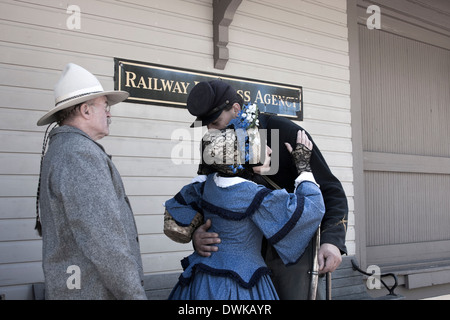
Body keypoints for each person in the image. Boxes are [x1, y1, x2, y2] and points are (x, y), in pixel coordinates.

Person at [186, 80, 348, 299]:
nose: (211, 131)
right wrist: (197, 233)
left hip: (290, 253)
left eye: (216, 122)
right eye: (208, 126)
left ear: (236, 109)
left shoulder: (286, 132)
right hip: (236, 261)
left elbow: (331, 190)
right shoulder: (216, 144)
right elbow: (205, 195)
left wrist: (332, 241)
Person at [165, 117, 325, 299]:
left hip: (203, 278)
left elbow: (177, 207)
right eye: (260, 146)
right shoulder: (252, 195)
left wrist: (195, 232)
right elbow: (312, 208)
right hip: (241, 284)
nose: (270, 150)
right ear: (244, 156)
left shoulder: (208, 184)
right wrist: (303, 167)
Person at [35, 63, 147, 300]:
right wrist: (134, 296)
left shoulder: (65, 150)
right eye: (105, 107)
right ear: (86, 111)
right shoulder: (78, 154)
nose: (109, 113)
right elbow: (104, 242)